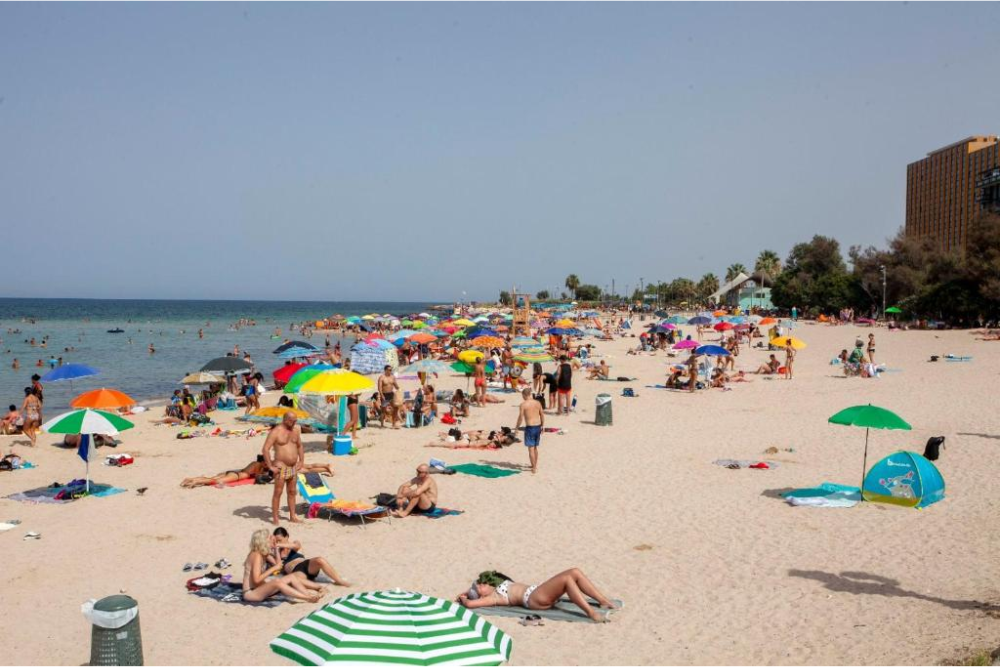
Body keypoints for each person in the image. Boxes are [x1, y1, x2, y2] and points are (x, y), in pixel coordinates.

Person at [456, 568, 617, 623]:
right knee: (568, 579)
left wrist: (467, 592)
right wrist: (464, 598)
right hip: (534, 598)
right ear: (480, 596)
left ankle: (602, 601)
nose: (481, 584)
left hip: (537, 594)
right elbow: (470, 605)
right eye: (478, 587)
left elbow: (479, 591)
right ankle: (591, 613)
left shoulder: (497, 587)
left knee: (574, 572)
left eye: (480, 583)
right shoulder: (494, 598)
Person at [242, 529, 322, 604]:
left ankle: (307, 594)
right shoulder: (256, 555)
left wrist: (276, 549)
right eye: (269, 538)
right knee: (277, 582)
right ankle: (306, 597)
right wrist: (274, 568)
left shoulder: (262, 553)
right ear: (263, 541)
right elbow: (256, 580)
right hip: (251, 593)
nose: (272, 540)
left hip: (260, 588)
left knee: (291, 577)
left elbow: (279, 564)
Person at [262, 412, 305, 525]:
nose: (294, 423)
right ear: (285, 419)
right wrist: (270, 466)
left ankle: (292, 516)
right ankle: (275, 518)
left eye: (296, 420)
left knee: (292, 491)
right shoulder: (276, 431)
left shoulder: (295, 431)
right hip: (280, 466)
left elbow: (299, 446)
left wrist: (301, 460)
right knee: (278, 492)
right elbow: (265, 449)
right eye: (292, 421)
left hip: (293, 467)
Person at [270, 527, 349, 587]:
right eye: (276, 541)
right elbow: (278, 565)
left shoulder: (295, 543)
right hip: (296, 572)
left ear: (286, 536)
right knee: (295, 582)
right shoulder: (277, 551)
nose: (277, 542)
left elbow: (296, 546)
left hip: (306, 565)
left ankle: (339, 581)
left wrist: (279, 545)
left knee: (320, 560)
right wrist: (276, 550)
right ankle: (318, 588)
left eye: (279, 540)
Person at [181, 455, 270, 488]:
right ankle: (196, 481)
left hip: (233, 472)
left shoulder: (254, 463)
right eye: (266, 463)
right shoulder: (258, 465)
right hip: (236, 476)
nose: (266, 465)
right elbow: (257, 476)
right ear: (262, 461)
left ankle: (190, 479)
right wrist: (264, 472)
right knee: (215, 481)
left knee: (211, 478)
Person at [516, 388, 544, 474]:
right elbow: (542, 414)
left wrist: (517, 427)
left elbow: (520, 417)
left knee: (531, 449)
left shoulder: (523, 405)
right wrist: (543, 426)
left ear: (525, 395)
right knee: (535, 447)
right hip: (538, 427)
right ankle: (534, 464)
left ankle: (534, 467)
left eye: (522, 396)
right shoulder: (537, 403)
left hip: (530, 428)